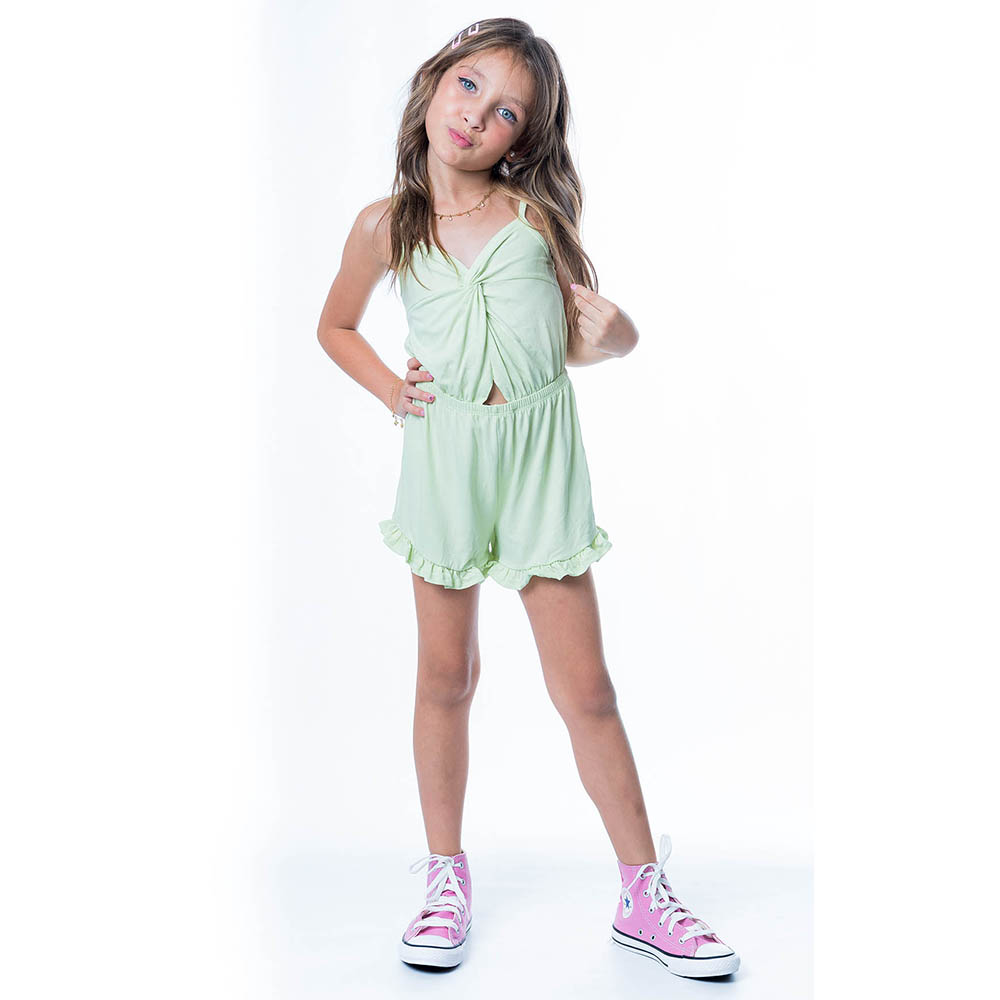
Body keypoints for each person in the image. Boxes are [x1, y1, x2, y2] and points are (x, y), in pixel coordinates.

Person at [316, 17, 740, 980]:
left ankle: (643, 892)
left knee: (586, 690)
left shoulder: (534, 219)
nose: (477, 115)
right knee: (445, 678)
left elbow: (575, 339)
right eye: (469, 85)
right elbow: (335, 325)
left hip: (539, 460)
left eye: (506, 111)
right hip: (443, 459)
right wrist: (392, 392)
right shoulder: (386, 226)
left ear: (523, 139)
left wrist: (620, 337)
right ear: (435, 81)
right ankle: (444, 878)